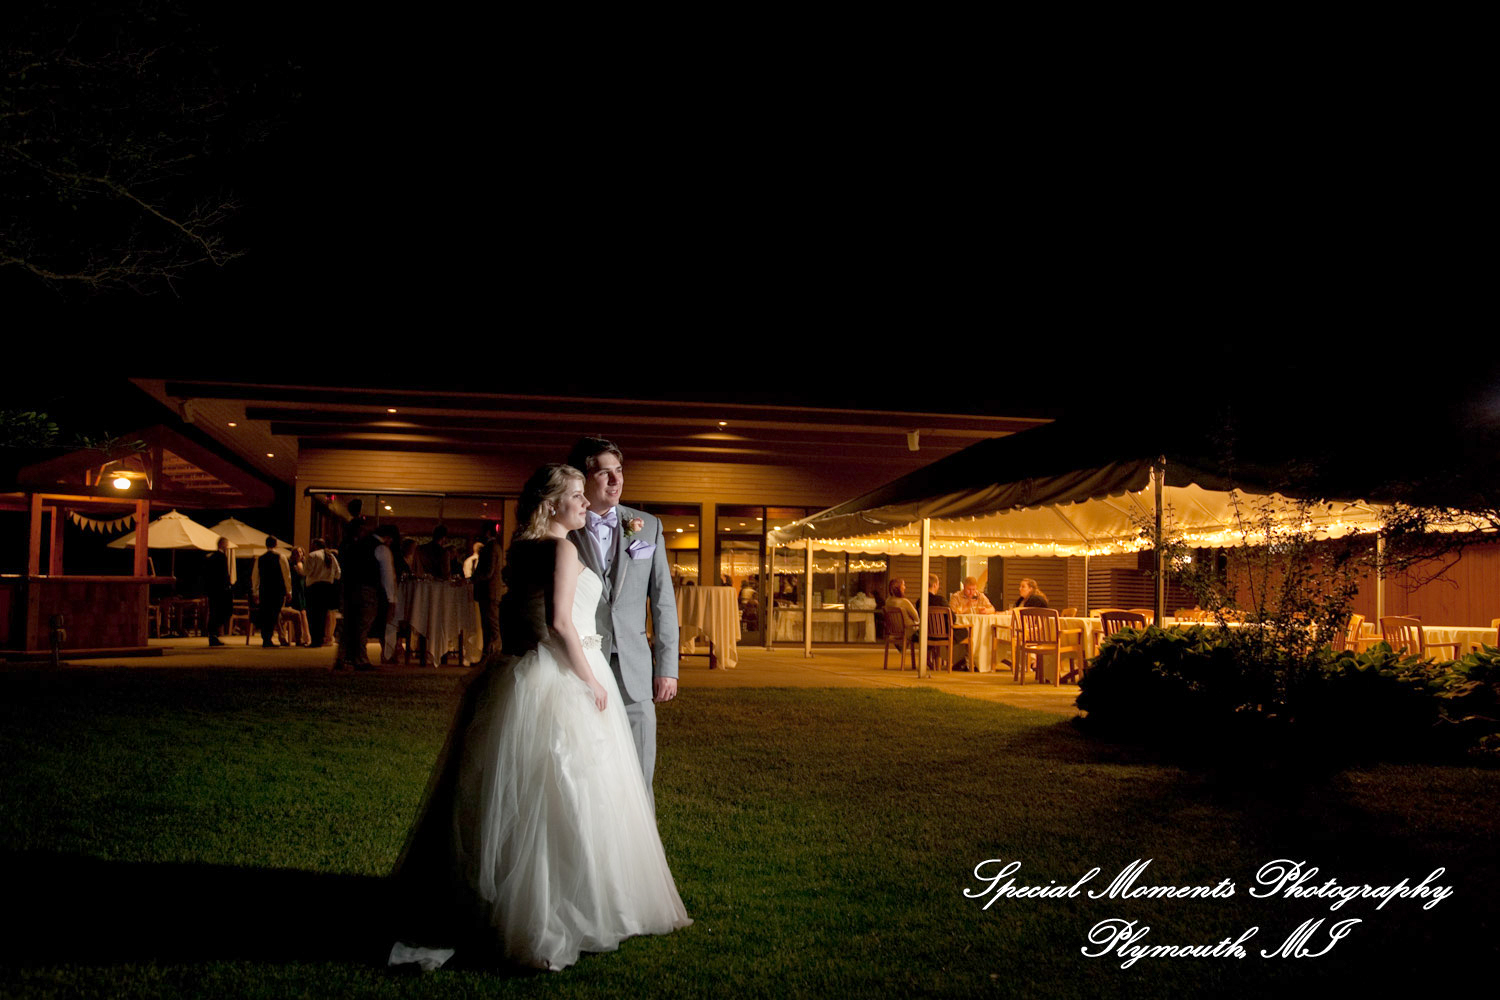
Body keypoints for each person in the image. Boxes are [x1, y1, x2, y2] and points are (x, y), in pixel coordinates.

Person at [388, 464, 690, 972]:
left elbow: (517, 615)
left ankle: (498, 899)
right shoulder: (562, 548)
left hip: (521, 671)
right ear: (553, 504)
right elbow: (559, 623)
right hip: (567, 669)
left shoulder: (521, 549)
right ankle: (569, 906)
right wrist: (592, 680)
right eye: (575, 496)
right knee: (574, 792)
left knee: (516, 795)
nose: (583, 503)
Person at [564, 436, 678, 799]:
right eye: (605, 473)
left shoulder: (648, 525)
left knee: (640, 772)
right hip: (582, 664)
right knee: (587, 768)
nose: (616, 481)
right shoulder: (565, 526)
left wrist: (667, 667)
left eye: (619, 471)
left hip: (634, 668)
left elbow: (662, 601)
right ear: (584, 478)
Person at [337, 516, 378, 670]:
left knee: (350, 624)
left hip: (349, 587)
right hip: (358, 587)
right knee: (360, 624)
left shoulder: (346, 545)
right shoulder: (359, 546)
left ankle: (345, 657)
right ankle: (358, 658)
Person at [251, 536, 291, 647]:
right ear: (276, 544)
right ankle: (269, 638)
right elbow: (286, 575)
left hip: (265, 590)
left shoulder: (260, 558)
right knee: (274, 613)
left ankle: (266, 638)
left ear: (266, 544)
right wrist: (289, 591)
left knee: (265, 614)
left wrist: (255, 591)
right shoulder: (281, 557)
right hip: (277, 590)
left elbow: (255, 576)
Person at [303, 538, 341, 648]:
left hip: (314, 588)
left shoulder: (312, 555)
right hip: (327, 587)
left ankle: (315, 640)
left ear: (315, 545)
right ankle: (321, 638)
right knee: (323, 615)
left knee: (313, 614)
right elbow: (338, 574)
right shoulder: (331, 557)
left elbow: (306, 571)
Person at [473, 529, 502, 656]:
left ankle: (492, 655)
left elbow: (488, 572)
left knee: (491, 626)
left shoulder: (491, 548)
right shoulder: (494, 547)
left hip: (489, 592)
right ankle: (488, 656)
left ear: (488, 533)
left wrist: (473, 579)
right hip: (490, 592)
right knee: (488, 625)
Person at [203, 537, 232, 646]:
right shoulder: (221, 557)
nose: (227, 546)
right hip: (220, 590)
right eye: (226, 544)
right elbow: (224, 574)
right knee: (218, 612)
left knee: (213, 612)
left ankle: (212, 635)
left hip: (212, 589)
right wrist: (227, 585)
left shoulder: (211, 557)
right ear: (222, 545)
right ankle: (214, 635)